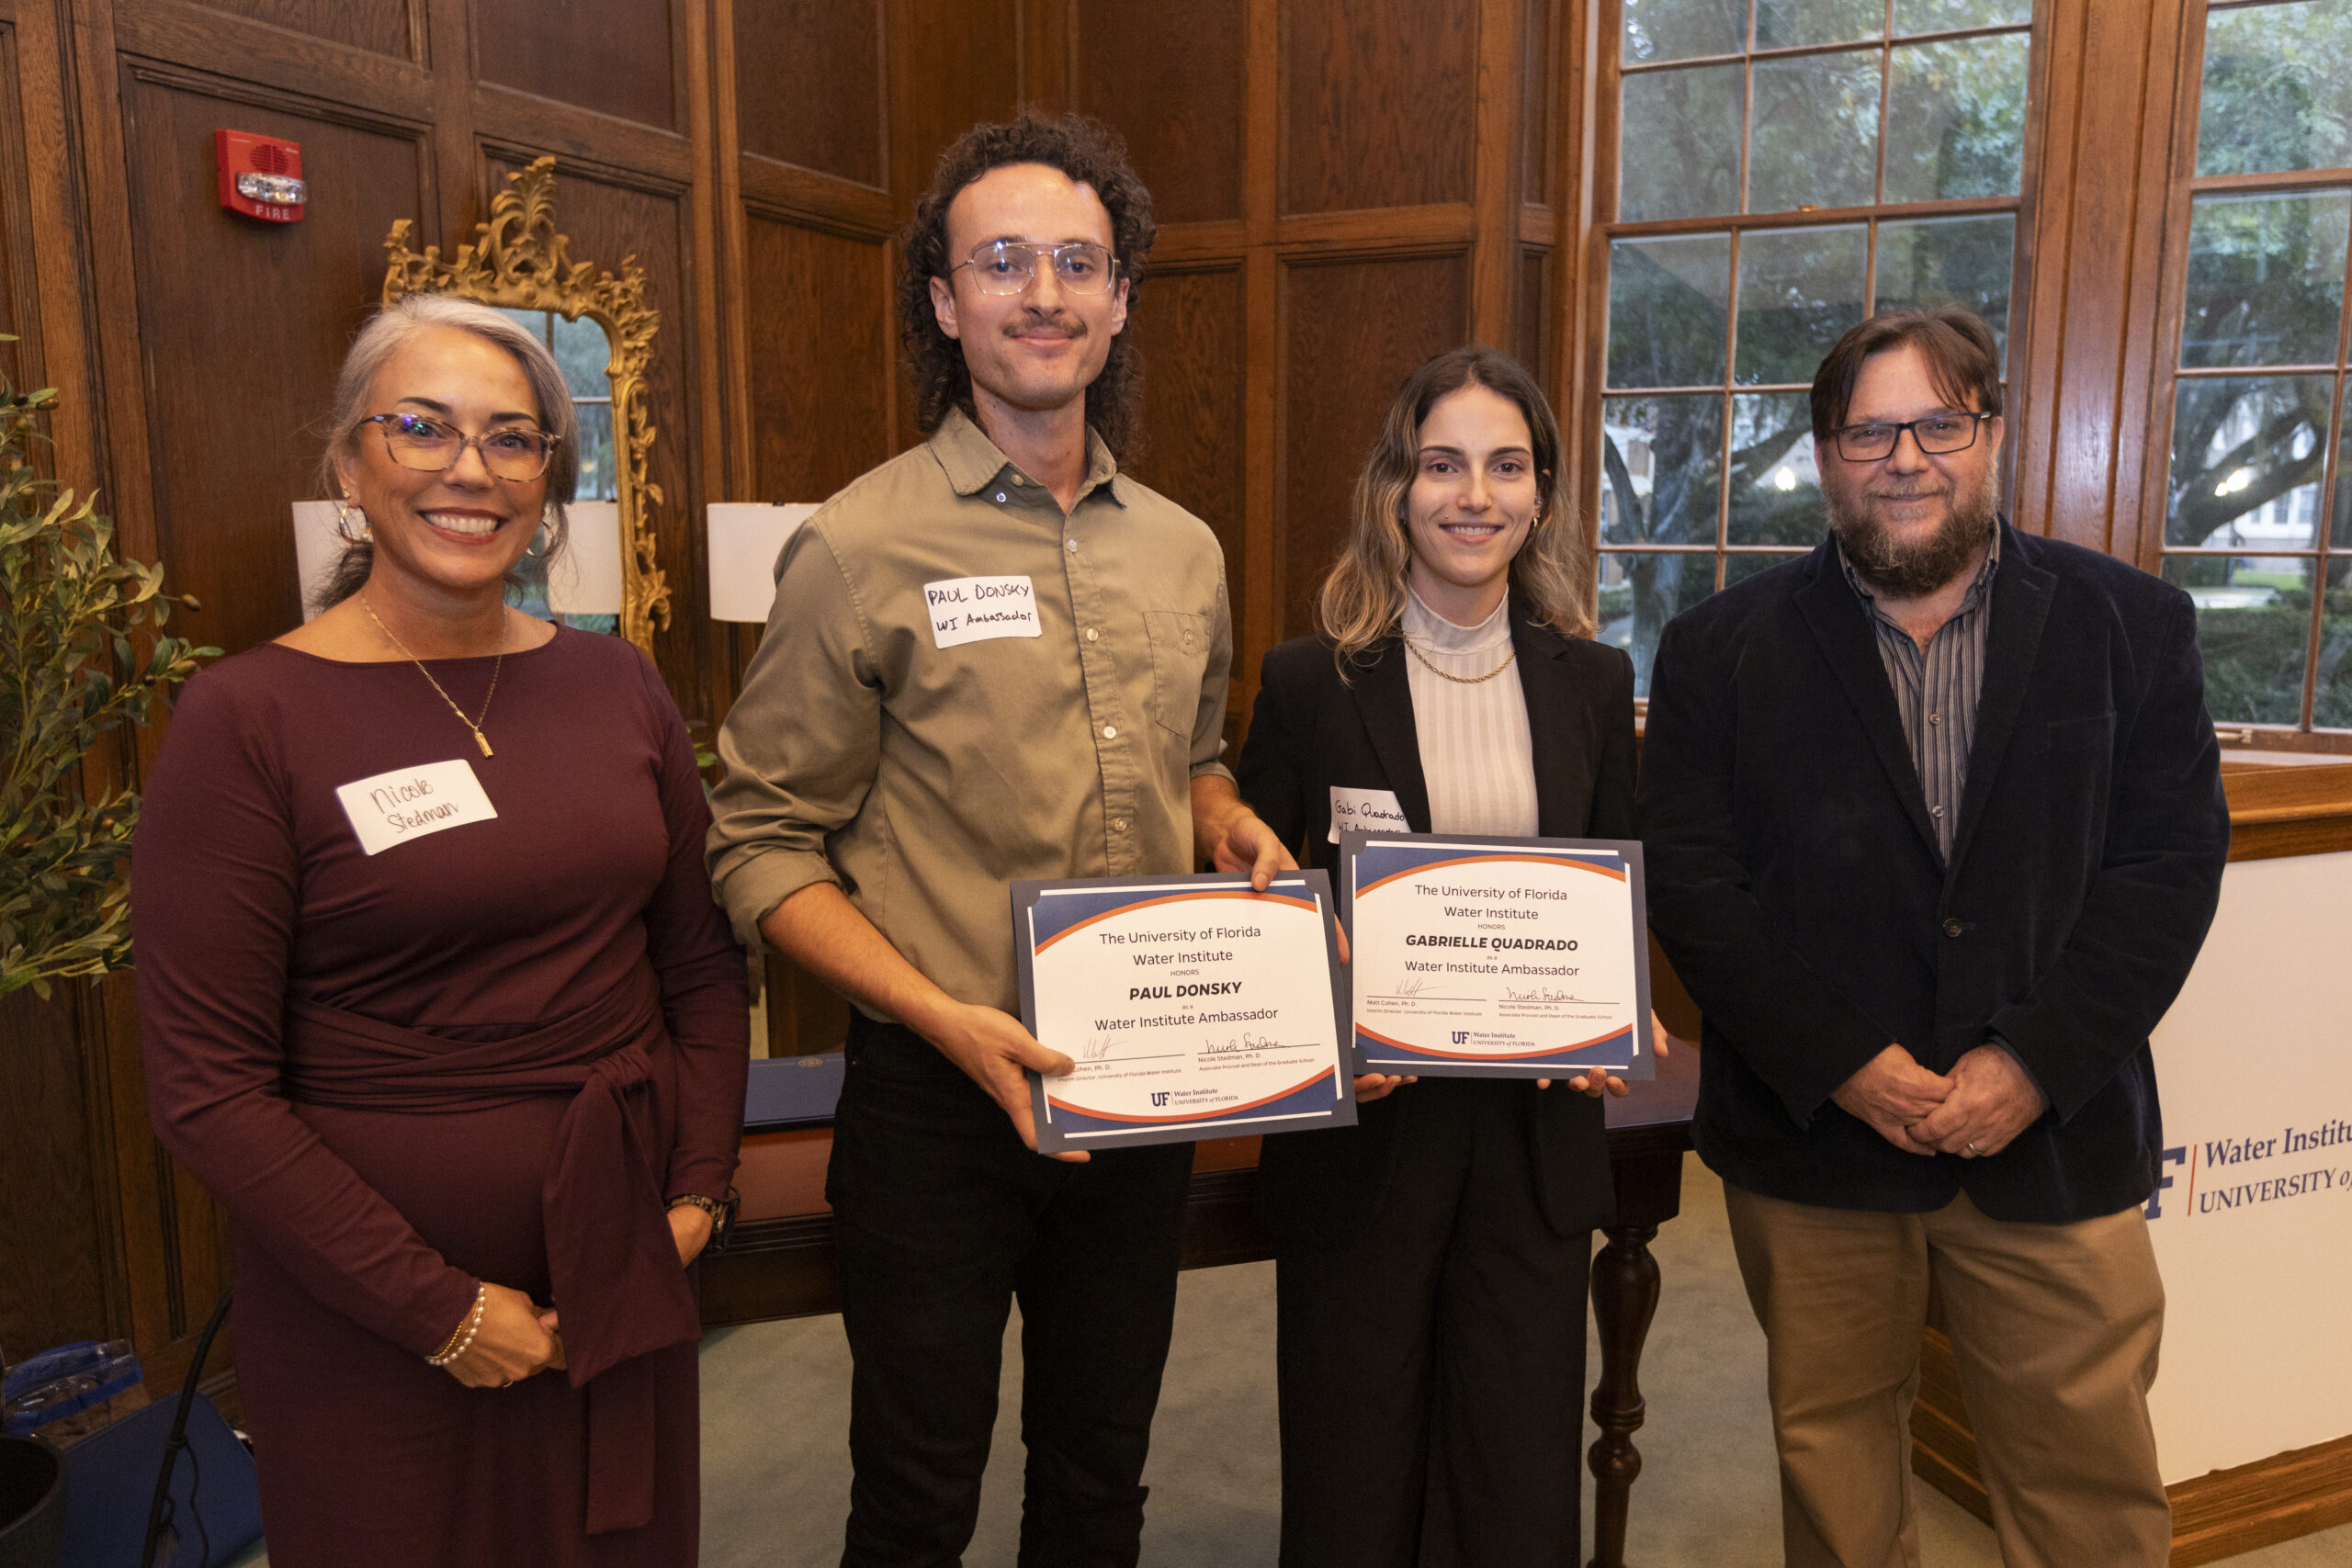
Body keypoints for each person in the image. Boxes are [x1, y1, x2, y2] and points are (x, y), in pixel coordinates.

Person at [706, 114, 1288, 1567]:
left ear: (1119, 303)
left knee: (1100, 1477)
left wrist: (1221, 814)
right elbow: (759, 842)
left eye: (1078, 263)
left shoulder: (1184, 548)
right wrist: (940, 1018)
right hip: (933, 1103)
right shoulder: (856, 546)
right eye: (1005, 262)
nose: (1045, 293)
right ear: (946, 303)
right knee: (916, 1494)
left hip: (1137, 1088)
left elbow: (1195, 753)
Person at [133, 293, 748, 1566]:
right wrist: (442, 1311)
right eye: (422, 427)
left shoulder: (617, 682)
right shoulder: (246, 720)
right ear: (351, 465)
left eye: (513, 439)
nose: (470, 469)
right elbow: (208, 1090)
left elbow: (696, 965)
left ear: (548, 482)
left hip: (614, 1267)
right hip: (371, 1315)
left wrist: (695, 1193)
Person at [1638, 305, 2231, 1568]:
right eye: (1866, 433)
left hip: (2052, 1135)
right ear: (1823, 458)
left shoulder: (2133, 630)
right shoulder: (1716, 652)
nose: (1904, 457)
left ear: (1992, 436)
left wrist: (2025, 1066)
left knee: (2091, 1491)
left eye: (1937, 424)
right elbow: (1696, 890)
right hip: (1815, 1144)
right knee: (1836, 1476)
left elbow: (2168, 873)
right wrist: (1848, 1064)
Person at [1235, 346, 1645, 1568]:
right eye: (1444, 464)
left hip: (1533, 1135)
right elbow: (1265, 895)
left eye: (1507, 467)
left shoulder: (1596, 681)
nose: (1475, 494)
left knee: (1518, 1472)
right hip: (1369, 1132)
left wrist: (1612, 1006)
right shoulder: (1311, 684)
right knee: (1353, 1459)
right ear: (1397, 490)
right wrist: (1318, 1035)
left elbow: (1614, 875)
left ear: (1543, 495)